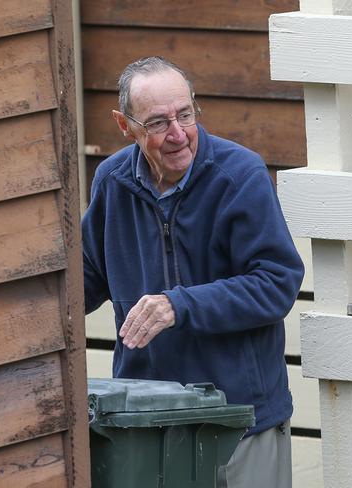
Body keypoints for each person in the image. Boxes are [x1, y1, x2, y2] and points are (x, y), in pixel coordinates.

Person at [82, 56, 304, 488]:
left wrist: (179, 305)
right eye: (159, 122)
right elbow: (86, 279)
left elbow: (277, 283)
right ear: (125, 125)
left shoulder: (240, 175)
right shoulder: (111, 181)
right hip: (146, 425)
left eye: (185, 115)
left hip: (240, 420)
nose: (178, 134)